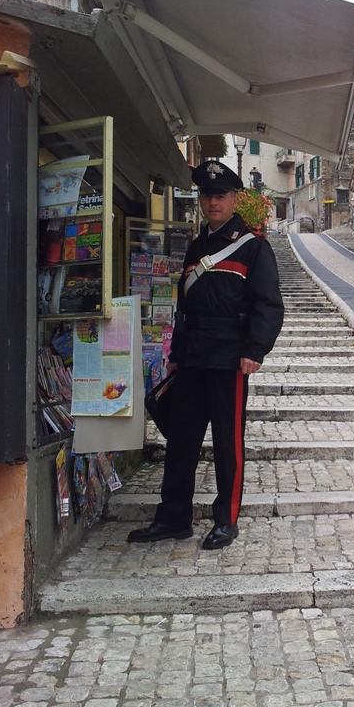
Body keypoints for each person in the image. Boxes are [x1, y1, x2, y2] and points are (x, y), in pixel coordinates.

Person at [129, 160, 284, 550]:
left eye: (221, 196)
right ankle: (173, 517)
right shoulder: (196, 248)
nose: (213, 202)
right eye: (207, 196)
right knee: (181, 440)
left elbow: (268, 304)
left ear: (234, 200)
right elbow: (185, 307)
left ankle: (226, 520)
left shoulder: (253, 247)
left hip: (230, 359)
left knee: (228, 443)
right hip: (193, 358)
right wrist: (176, 353)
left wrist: (255, 349)